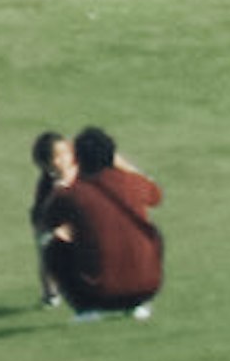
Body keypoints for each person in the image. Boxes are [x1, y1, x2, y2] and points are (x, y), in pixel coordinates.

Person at [41, 135, 161, 323]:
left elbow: (49, 221)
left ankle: (85, 309)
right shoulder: (131, 182)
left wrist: (63, 183)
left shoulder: (71, 193)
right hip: (145, 289)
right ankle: (139, 305)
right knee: (149, 234)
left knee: (53, 246)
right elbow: (155, 195)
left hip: (102, 294)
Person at [27, 145, 74, 312]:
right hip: (48, 222)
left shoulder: (77, 169)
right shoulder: (47, 181)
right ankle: (51, 295)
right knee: (47, 256)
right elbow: (42, 212)